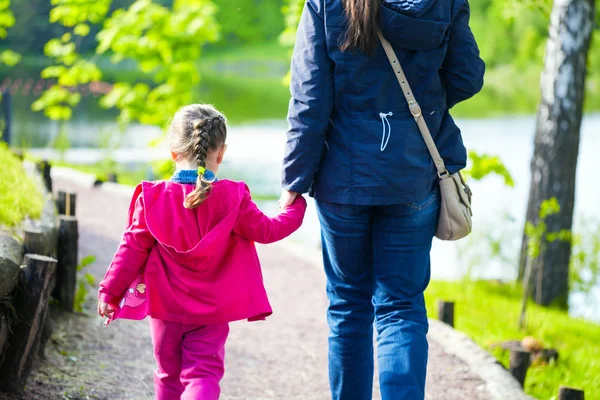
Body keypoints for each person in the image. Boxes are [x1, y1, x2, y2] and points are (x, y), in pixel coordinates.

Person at [279, 0, 485, 399]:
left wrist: (294, 179)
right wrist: (421, 101)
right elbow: (467, 76)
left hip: (343, 180)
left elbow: (309, 99)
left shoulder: (327, 4)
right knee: (401, 306)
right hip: (411, 175)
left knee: (348, 306)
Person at [97, 104, 307, 400]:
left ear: (173, 152)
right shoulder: (233, 197)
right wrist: (296, 205)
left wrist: (110, 292)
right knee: (203, 375)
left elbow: (131, 247)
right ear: (220, 153)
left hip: (165, 307)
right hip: (211, 310)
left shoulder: (153, 197)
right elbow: (269, 231)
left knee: (168, 376)